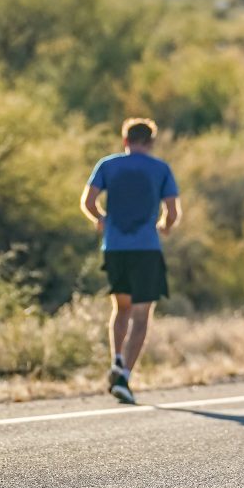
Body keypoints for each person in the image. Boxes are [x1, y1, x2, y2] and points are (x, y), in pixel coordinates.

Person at [80, 118, 181, 405]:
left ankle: (116, 358)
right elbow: (172, 211)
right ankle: (124, 375)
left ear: (125, 141)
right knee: (141, 315)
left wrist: (100, 220)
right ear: (150, 143)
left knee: (121, 308)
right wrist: (165, 227)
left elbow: (88, 201)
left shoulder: (107, 165)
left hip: (114, 248)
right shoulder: (160, 169)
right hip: (146, 249)